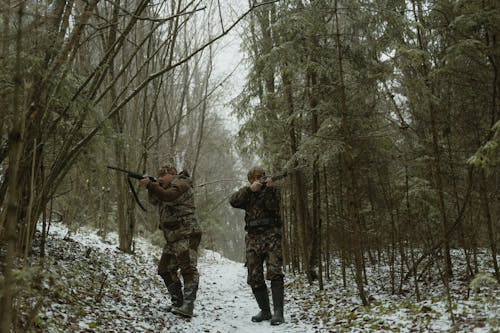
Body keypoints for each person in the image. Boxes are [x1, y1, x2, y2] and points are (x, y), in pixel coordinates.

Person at [139, 163, 202, 318]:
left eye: (163, 175)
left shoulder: (182, 184)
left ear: (172, 174)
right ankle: (178, 302)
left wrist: (152, 185)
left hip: (186, 233)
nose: (160, 178)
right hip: (173, 236)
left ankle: (188, 305)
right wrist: (151, 186)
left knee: (188, 268)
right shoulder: (165, 187)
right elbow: (155, 201)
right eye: (158, 176)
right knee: (164, 269)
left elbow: (169, 197)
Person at [229, 166, 285, 325]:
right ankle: (265, 311)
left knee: (275, 271)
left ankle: (278, 313)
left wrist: (268, 189)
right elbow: (233, 201)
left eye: (259, 177)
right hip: (253, 238)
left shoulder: (273, 190)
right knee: (254, 276)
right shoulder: (247, 194)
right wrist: (249, 190)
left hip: (271, 235)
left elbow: (272, 207)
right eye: (254, 178)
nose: (257, 180)